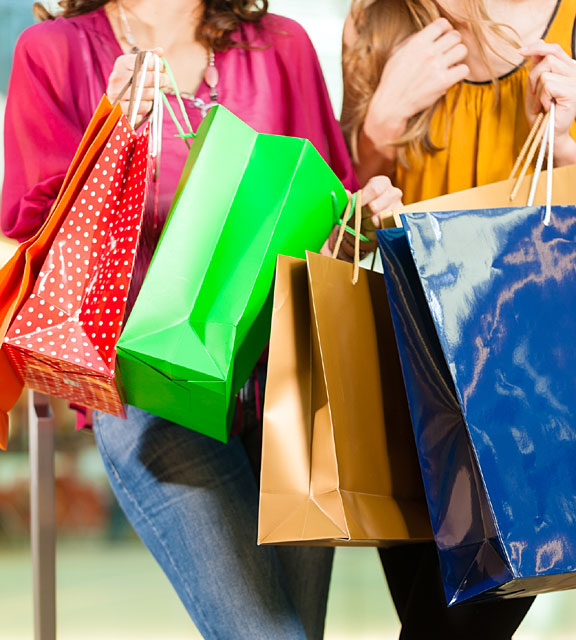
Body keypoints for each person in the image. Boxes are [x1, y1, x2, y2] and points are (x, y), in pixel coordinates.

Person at [1, 1, 403, 638]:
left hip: (290, 383)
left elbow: (331, 207)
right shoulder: (54, 53)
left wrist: (364, 212)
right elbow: (35, 249)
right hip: (152, 396)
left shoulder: (283, 46)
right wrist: (108, 138)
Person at [341, 0, 576, 638]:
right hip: (409, 396)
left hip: (528, 409)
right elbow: (344, 237)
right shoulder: (379, 20)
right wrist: (375, 135)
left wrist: (571, 149)